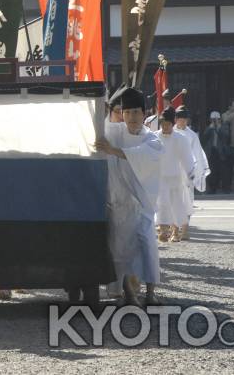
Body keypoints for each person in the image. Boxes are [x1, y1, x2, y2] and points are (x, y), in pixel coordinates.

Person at [96, 87, 163, 307]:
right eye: (128, 113)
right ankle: (129, 295)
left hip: (142, 204)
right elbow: (98, 129)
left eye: (137, 112)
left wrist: (113, 151)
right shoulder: (116, 133)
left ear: (145, 114)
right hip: (119, 203)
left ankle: (151, 292)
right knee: (121, 250)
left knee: (148, 247)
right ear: (121, 115)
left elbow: (144, 156)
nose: (133, 117)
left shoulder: (152, 138)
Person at [155, 108, 195, 243]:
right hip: (160, 177)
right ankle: (163, 230)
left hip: (175, 177)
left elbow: (187, 158)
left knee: (177, 204)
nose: (165, 127)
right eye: (163, 124)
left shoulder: (180, 139)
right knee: (162, 203)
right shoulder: (154, 137)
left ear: (172, 124)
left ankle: (177, 230)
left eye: (167, 124)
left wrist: (190, 173)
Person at [174, 106, 209, 240]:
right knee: (174, 199)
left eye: (184, 120)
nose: (182, 122)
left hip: (187, 171)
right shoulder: (170, 133)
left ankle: (185, 228)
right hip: (173, 170)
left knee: (187, 199)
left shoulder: (192, 135)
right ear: (176, 119)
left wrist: (197, 170)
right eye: (180, 119)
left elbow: (198, 154)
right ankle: (174, 229)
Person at [201, 112, 226, 194]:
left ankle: (221, 186)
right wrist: (210, 128)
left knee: (220, 170)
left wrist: (218, 129)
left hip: (220, 151)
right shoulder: (208, 128)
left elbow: (225, 137)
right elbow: (204, 138)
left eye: (217, 119)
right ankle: (212, 188)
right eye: (213, 120)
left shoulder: (223, 127)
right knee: (211, 170)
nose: (215, 121)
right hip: (211, 151)